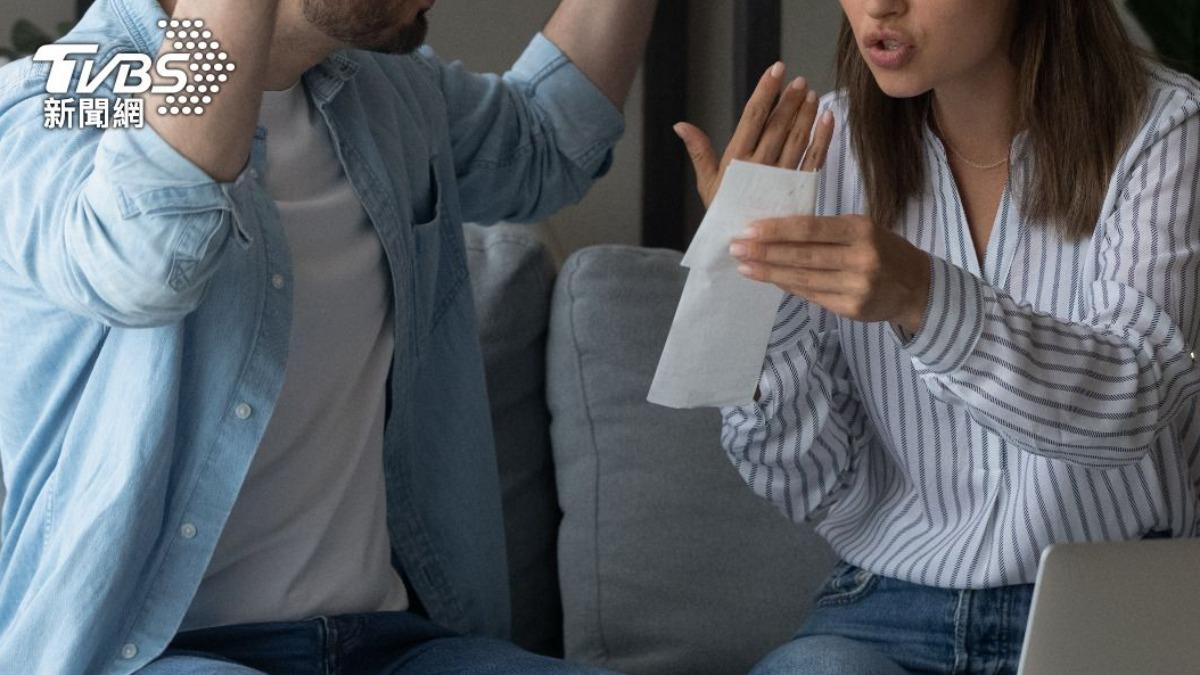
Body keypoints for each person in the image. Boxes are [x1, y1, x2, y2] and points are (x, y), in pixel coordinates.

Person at [0, 0, 656, 672]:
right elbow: (150, 261)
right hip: (154, 656)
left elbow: (541, 142)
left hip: (391, 644)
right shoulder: (62, 93)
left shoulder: (381, 92)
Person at [674, 0, 1200, 673]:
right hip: (884, 610)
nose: (879, 6)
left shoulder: (1164, 128)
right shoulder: (821, 150)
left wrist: (925, 297)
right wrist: (746, 286)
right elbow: (810, 483)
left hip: (1114, 608)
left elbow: (1133, 399)